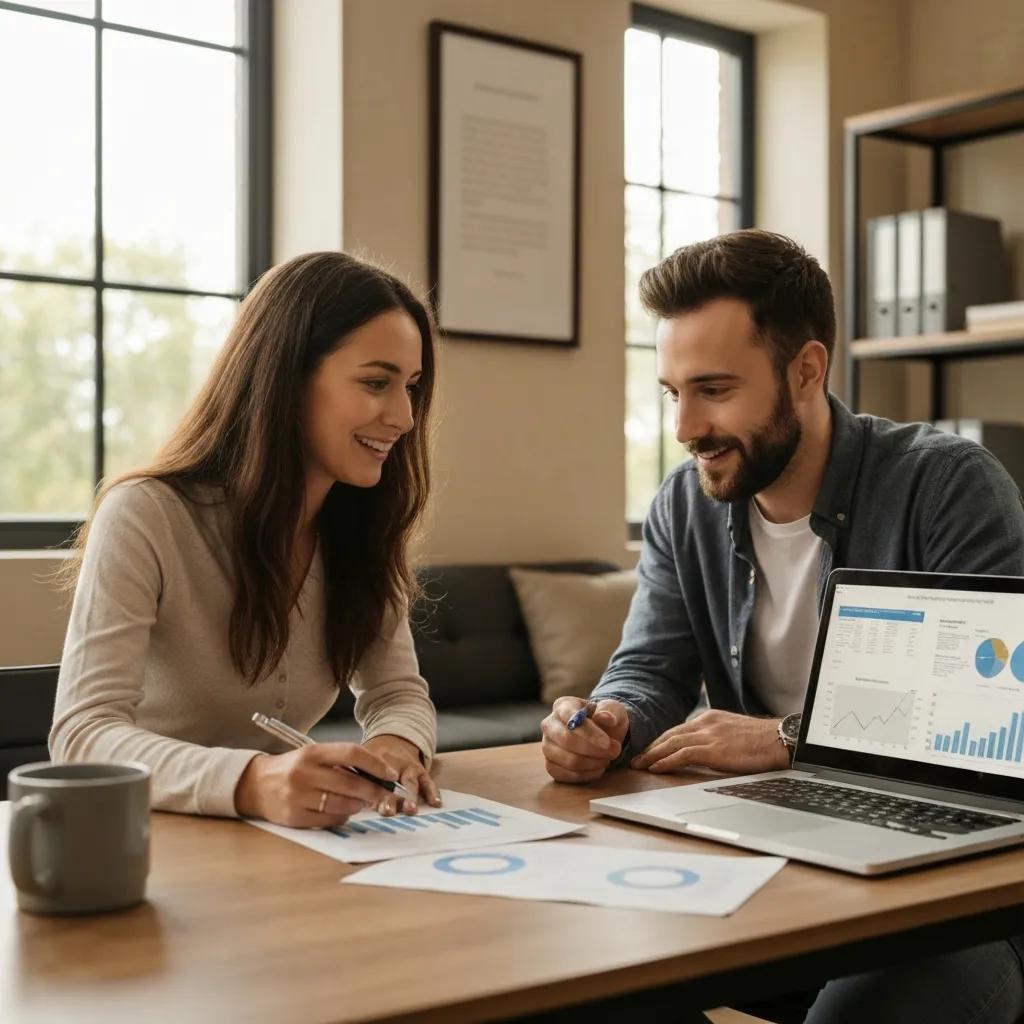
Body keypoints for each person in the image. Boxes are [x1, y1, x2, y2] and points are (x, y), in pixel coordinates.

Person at [540, 230, 1024, 1023]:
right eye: (672, 392)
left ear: (807, 369)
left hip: (957, 895)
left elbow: (980, 722)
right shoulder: (684, 503)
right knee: (588, 976)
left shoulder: (946, 486)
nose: (687, 426)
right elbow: (650, 668)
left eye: (715, 389)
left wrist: (784, 741)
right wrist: (610, 721)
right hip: (778, 856)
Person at [51, 251, 441, 830]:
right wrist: (253, 781)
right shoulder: (145, 514)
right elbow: (82, 735)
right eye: (376, 382)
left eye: (411, 386)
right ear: (286, 376)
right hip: (143, 838)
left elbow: (398, 692)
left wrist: (396, 747)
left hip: (276, 849)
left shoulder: (358, 530)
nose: (406, 417)